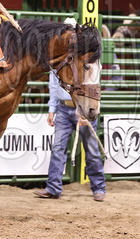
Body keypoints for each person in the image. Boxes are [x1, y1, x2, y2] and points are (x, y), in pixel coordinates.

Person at [33, 20, 106, 202]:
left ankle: (99, 187)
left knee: (91, 149)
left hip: (81, 108)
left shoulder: (89, 60)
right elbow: (53, 84)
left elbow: (94, 86)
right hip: (63, 108)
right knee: (58, 148)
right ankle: (53, 188)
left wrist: (85, 111)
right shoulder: (60, 59)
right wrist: (52, 109)